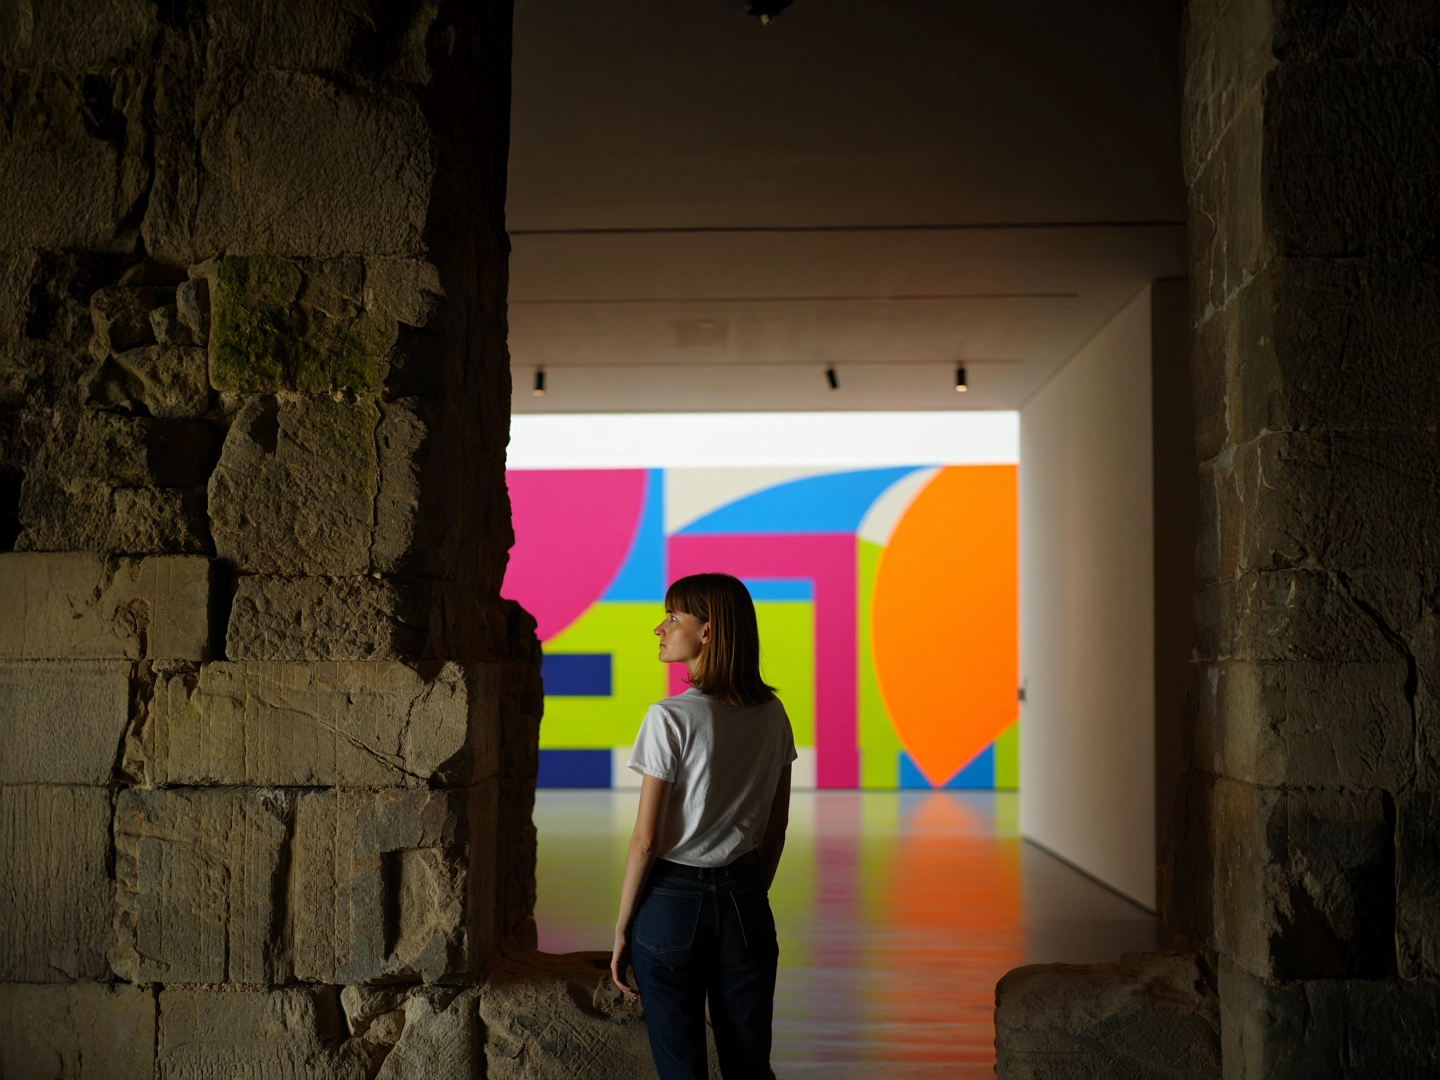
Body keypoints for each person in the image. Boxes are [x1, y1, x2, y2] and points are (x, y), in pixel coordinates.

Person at [610, 572, 796, 1080]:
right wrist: (747, 894)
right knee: (750, 1068)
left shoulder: (668, 718)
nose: (659, 628)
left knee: (682, 1071)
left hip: (671, 905)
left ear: (707, 632)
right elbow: (776, 828)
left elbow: (646, 840)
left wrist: (623, 928)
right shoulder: (773, 714)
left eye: (673, 617)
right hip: (745, 900)